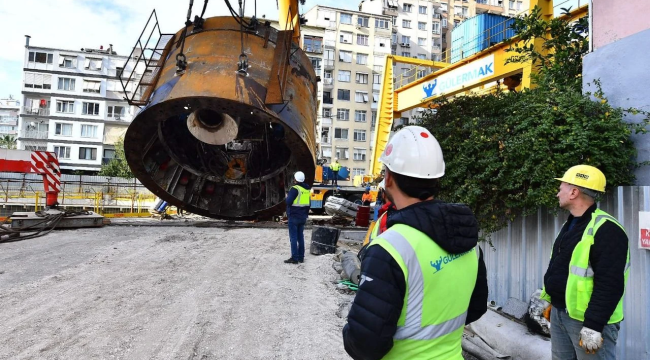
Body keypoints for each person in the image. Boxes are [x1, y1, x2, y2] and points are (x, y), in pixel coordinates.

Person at [343, 126, 488, 360]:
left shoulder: (389, 248)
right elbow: (477, 306)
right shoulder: (468, 239)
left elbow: (364, 345)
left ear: (388, 178)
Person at [541, 165, 629, 360]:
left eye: (561, 187)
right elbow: (560, 266)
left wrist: (593, 326)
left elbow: (610, 284)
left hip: (588, 323)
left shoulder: (607, 229)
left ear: (574, 192)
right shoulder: (571, 223)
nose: (558, 193)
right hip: (560, 313)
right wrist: (551, 300)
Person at [284, 171, 311, 264]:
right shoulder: (307, 189)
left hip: (294, 216)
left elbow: (288, 202)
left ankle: (294, 258)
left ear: (295, 179)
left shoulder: (295, 189)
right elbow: (308, 204)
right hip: (302, 217)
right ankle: (301, 257)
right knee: (300, 237)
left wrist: (287, 197)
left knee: (293, 238)